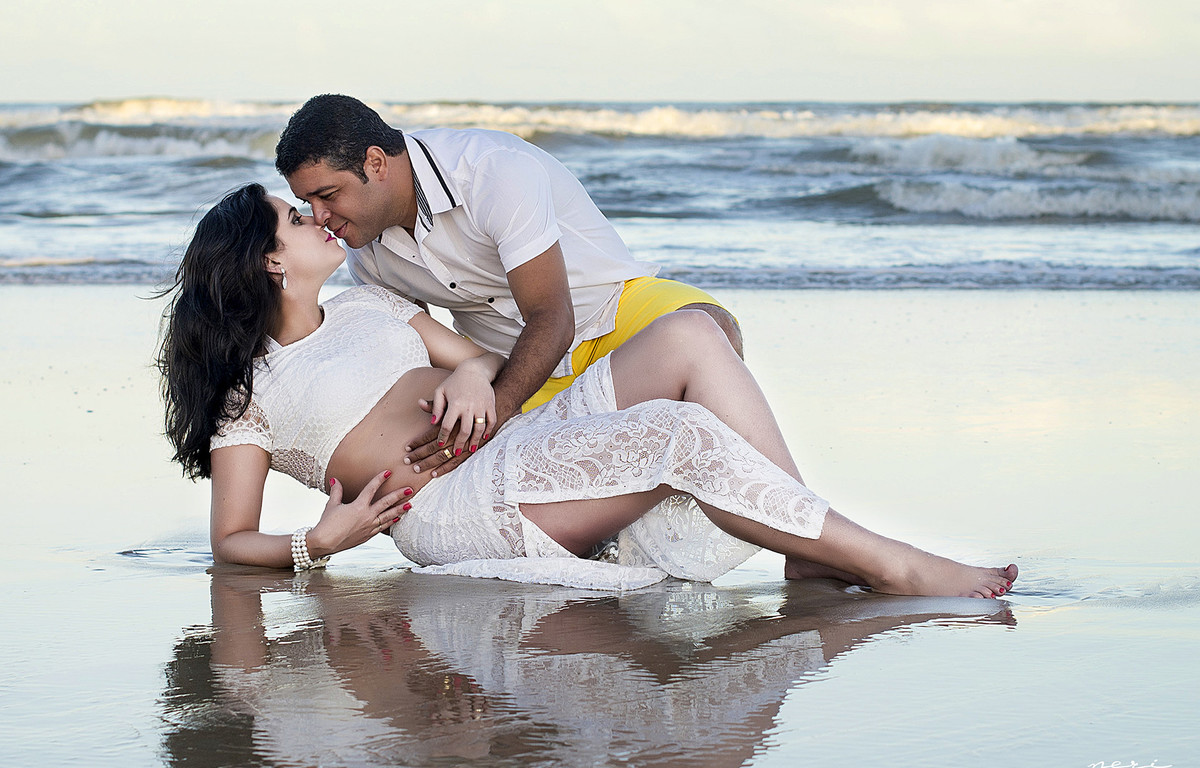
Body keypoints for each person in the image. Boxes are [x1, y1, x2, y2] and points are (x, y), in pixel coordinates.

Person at [157, 183, 1018, 598]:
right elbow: (230, 540)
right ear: (270, 262)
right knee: (676, 431)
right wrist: (319, 541)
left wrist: (471, 372)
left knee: (689, 334)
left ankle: (808, 542)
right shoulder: (247, 394)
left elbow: (482, 363)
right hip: (453, 503)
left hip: (516, 437)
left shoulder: (371, 303)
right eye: (295, 218)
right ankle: (892, 563)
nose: (316, 218)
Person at [274, 94, 743, 478]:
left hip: (611, 311)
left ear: (376, 163)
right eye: (306, 203)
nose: (320, 217)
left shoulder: (490, 170)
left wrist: (496, 414)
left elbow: (551, 316)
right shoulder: (365, 250)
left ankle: (748, 513)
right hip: (509, 367)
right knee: (459, 450)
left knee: (712, 331)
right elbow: (413, 356)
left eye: (327, 195)